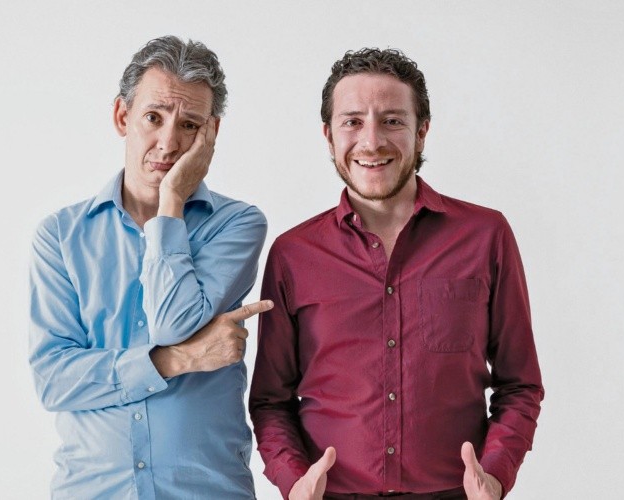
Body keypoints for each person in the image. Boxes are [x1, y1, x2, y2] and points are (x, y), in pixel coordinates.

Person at [250, 47, 543, 500]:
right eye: (352, 122)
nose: (371, 142)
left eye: (392, 121)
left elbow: (520, 384)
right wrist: (294, 482)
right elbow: (271, 401)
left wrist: (496, 474)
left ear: (421, 132)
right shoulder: (292, 254)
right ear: (328, 136)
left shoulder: (486, 236)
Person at [29, 36, 270, 499]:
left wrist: (172, 200)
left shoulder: (236, 224)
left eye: (190, 125)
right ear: (123, 116)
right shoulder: (60, 236)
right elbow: (53, 380)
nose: (169, 142)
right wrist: (176, 360)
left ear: (211, 133)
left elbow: (172, 322)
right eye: (154, 117)